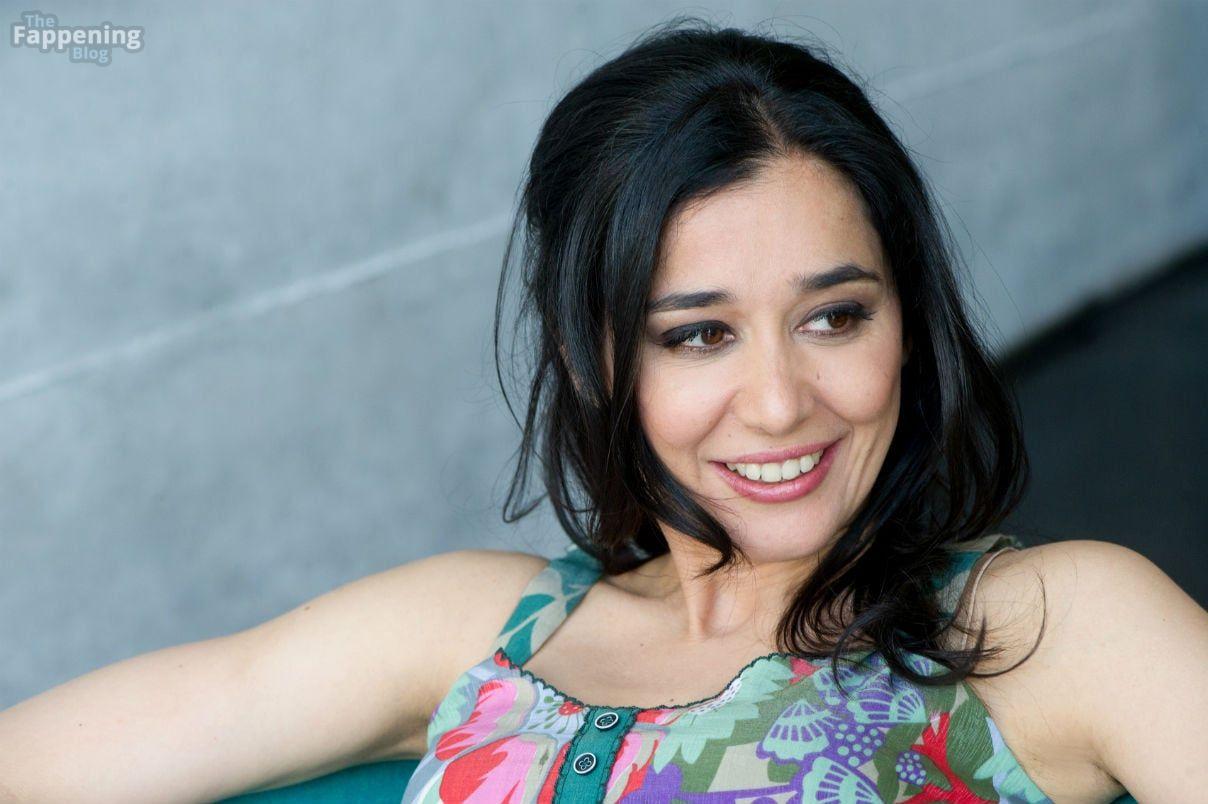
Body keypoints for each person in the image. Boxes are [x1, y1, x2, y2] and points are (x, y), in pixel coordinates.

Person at [1, 18, 1204, 804]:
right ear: (591, 359)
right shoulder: (475, 631)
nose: (779, 402)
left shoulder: (1048, 627)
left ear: (905, 318)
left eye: (834, 316)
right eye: (697, 334)